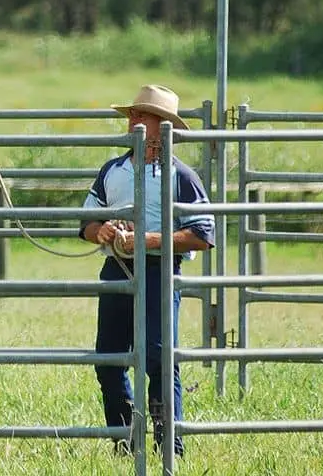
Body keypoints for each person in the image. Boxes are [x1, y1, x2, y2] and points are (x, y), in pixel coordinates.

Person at [78, 84, 215, 457]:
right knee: (109, 359)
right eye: (132, 114)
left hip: (158, 271)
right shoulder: (112, 170)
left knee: (158, 357)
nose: (132, 120)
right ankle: (126, 443)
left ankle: (169, 444)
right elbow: (86, 224)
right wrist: (102, 230)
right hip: (116, 269)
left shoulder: (182, 176)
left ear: (163, 124)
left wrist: (150, 240)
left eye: (142, 114)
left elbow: (203, 235)